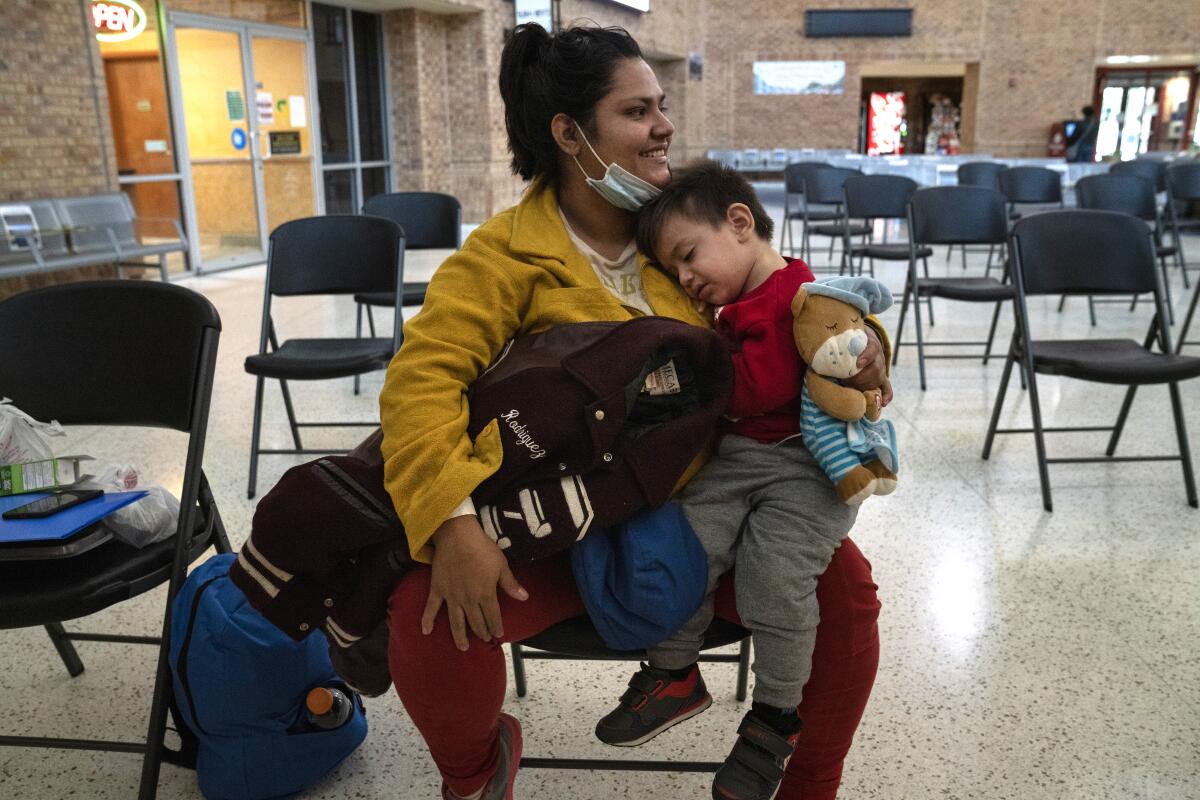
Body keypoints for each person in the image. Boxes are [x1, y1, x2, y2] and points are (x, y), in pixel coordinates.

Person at [380, 23, 884, 800]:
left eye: (662, 107)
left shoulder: (682, 240)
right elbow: (421, 383)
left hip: (700, 520)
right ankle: (476, 776)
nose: (664, 126)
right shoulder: (502, 256)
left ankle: (808, 784)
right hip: (564, 523)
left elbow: (798, 305)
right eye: (638, 110)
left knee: (843, 590)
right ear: (570, 134)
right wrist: (453, 523)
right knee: (430, 614)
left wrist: (865, 350)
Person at [592, 162, 890, 800]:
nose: (688, 279)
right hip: (736, 463)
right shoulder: (730, 311)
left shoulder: (798, 293)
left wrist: (699, 374)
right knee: (686, 552)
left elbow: (768, 386)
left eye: (689, 256)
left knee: (773, 586)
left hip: (804, 468)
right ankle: (673, 674)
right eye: (676, 272)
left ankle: (774, 720)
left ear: (739, 222)